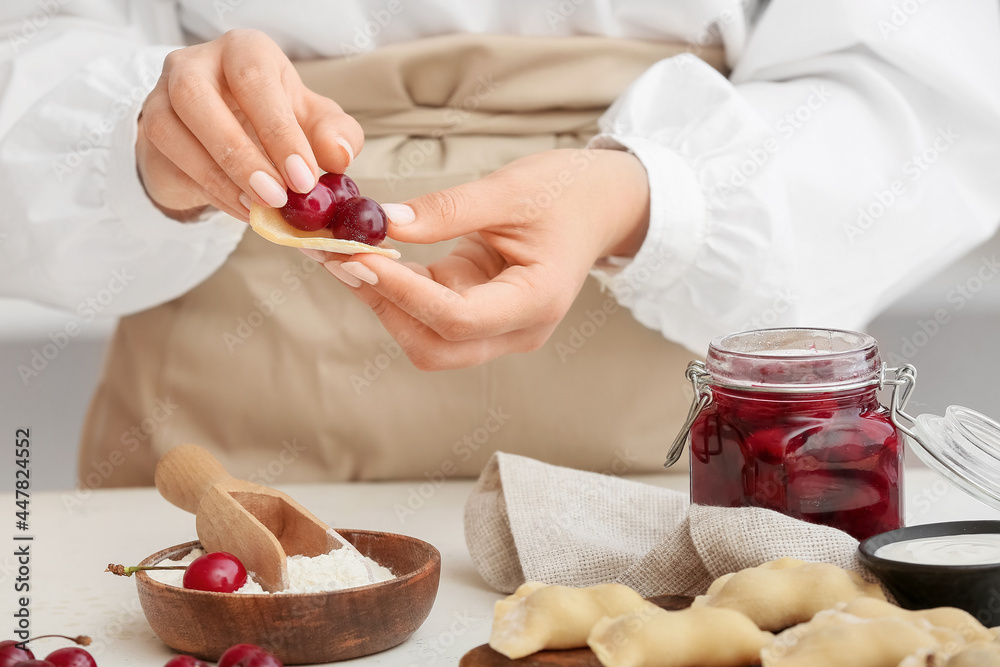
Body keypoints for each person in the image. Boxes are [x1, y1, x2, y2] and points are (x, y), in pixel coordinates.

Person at [1, 1, 998, 487]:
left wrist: (652, 198)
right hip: (217, 477)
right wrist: (150, 137)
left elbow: (926, 89)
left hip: (700, 487)